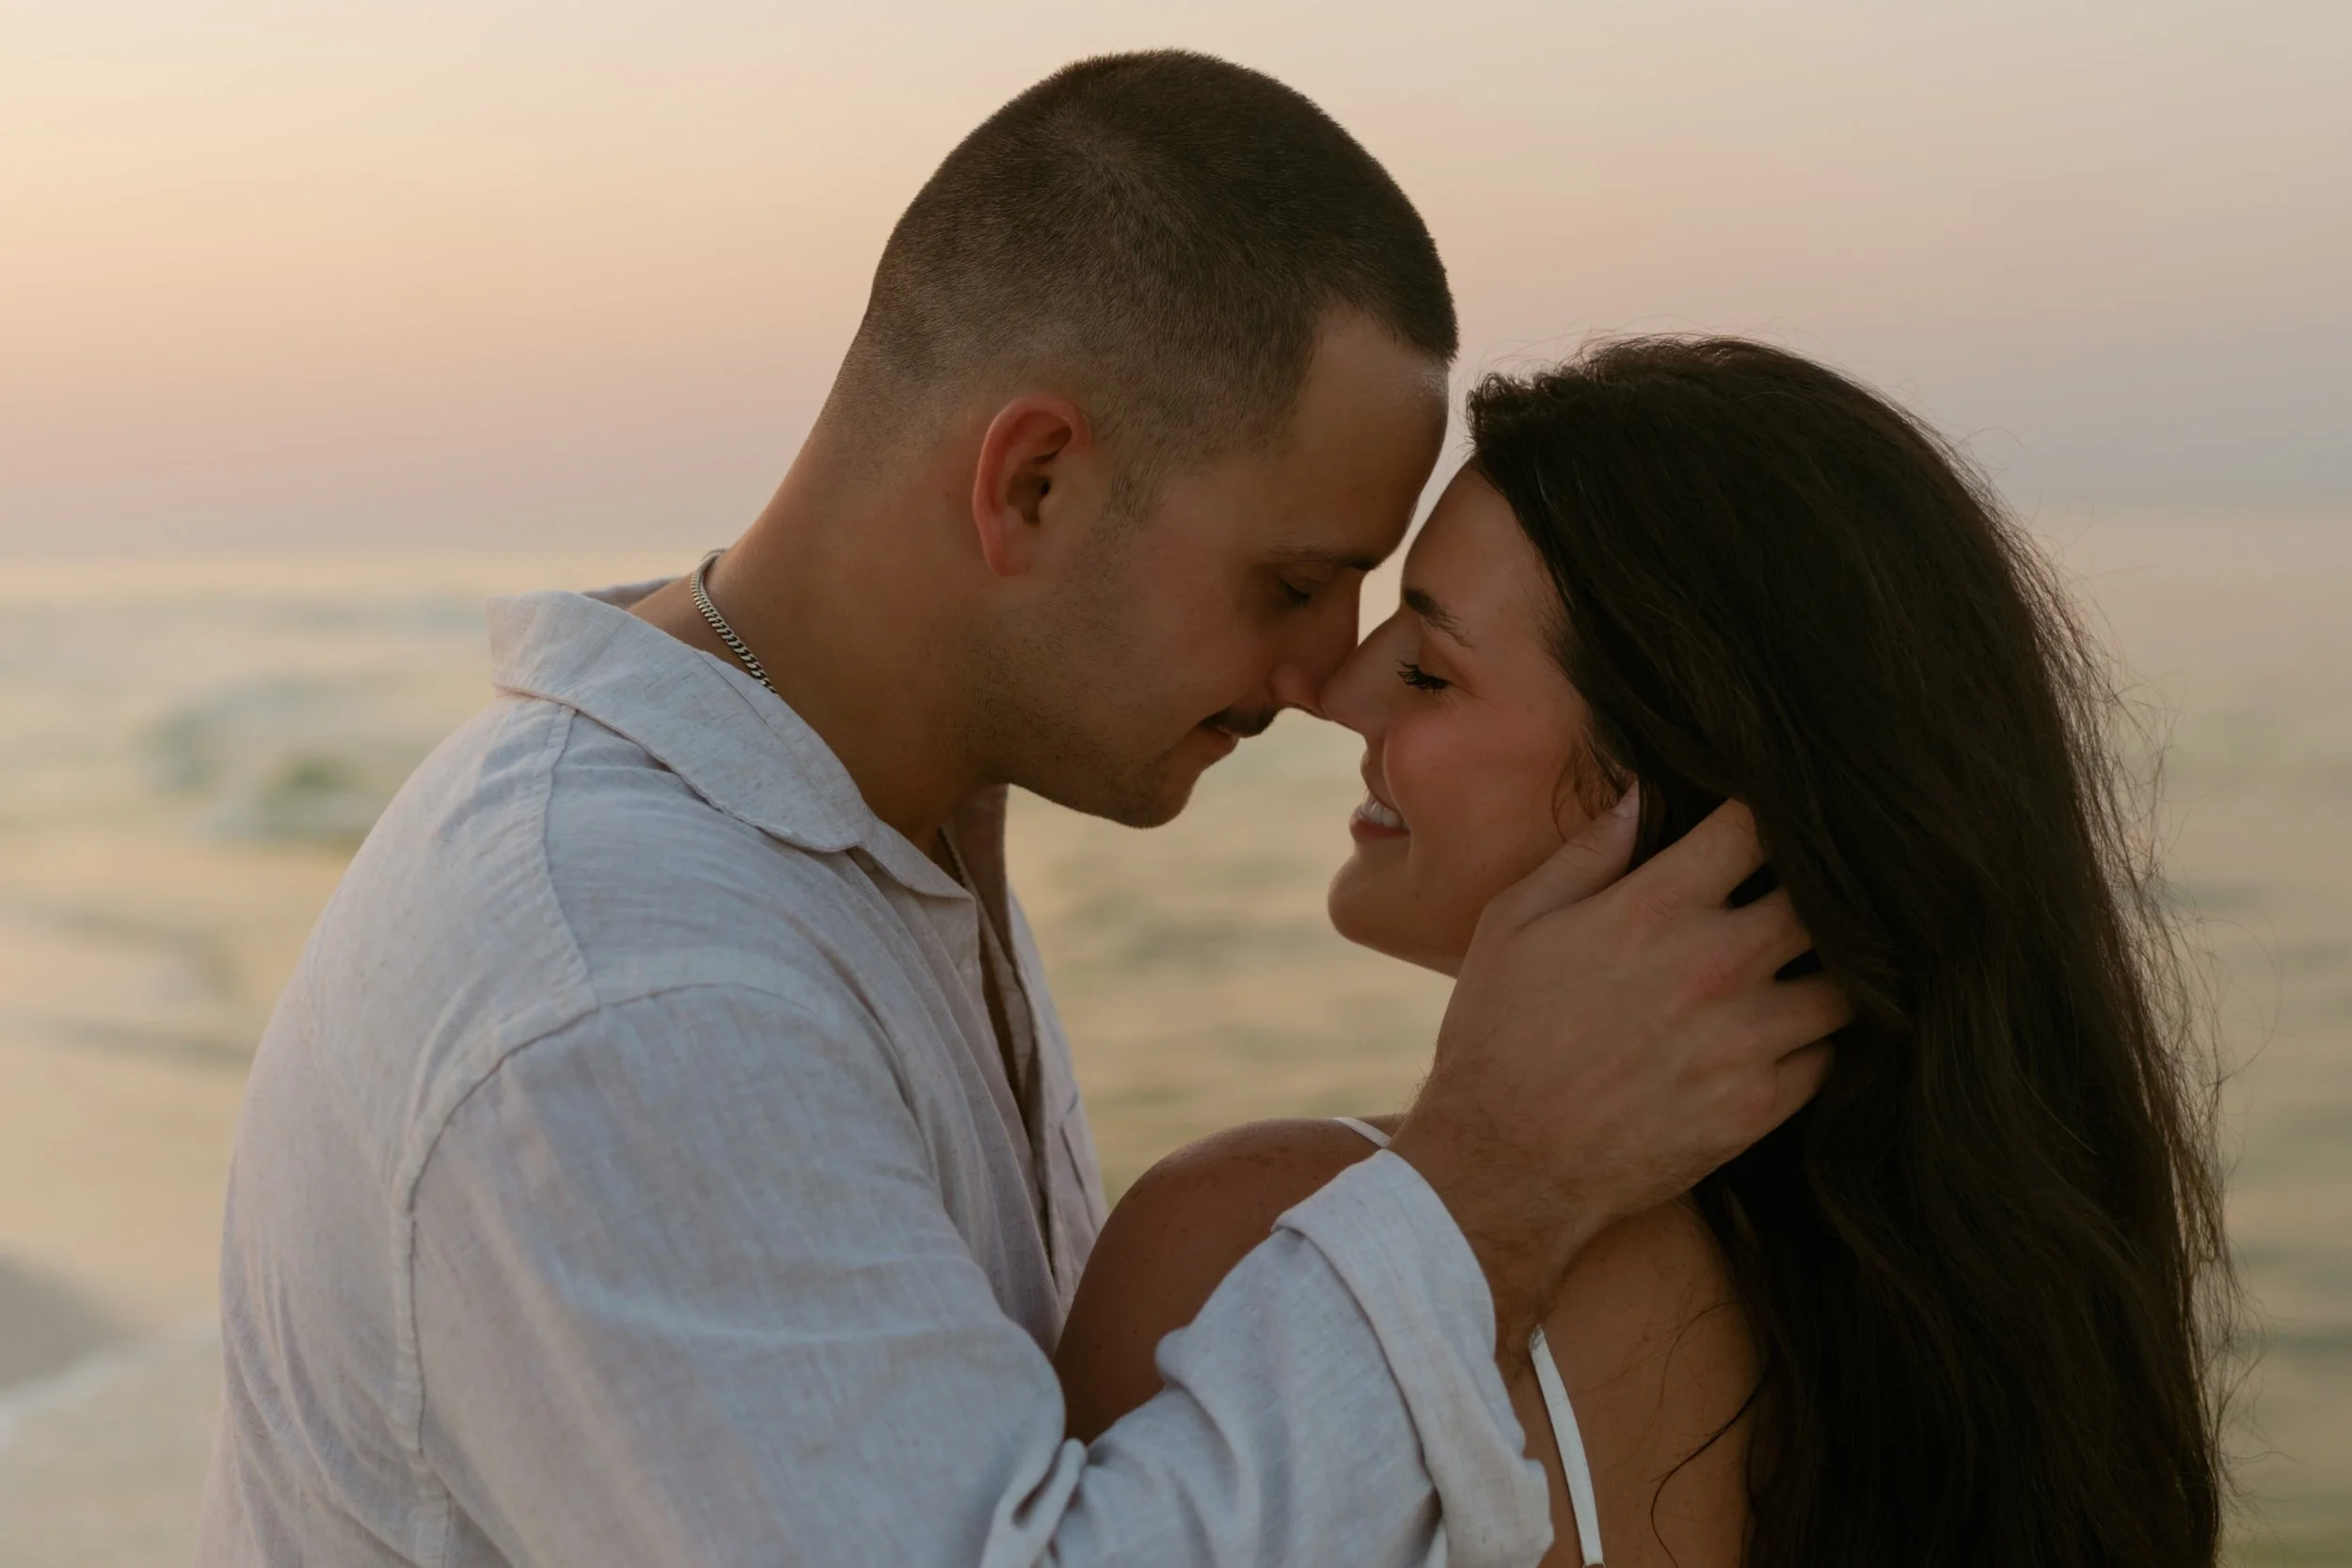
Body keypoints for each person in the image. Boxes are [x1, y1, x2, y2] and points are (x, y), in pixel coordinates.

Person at [197, 53, 1845, 1568]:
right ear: (1033, 482)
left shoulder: (878, 826)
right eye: (1294, 580)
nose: (1318, 678)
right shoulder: (629, 986)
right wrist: (1496, 1181)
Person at [1056, 337, 2237, 1568]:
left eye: (1428, 666)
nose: (1339, 689)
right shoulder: (2029, 1319)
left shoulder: (1248, 1246)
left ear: (1676, 796)